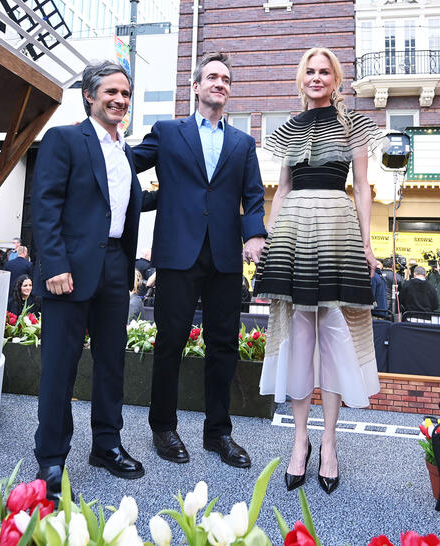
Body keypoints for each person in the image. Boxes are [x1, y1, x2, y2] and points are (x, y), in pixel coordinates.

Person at [253, 47, 387, 494]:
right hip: (293, 228)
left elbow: (364, 189)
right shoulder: (288, 129)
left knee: (333, 337)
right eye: (309, 71)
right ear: (301, 78)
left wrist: (368, 243)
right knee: (297, 337)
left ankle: (328, 442)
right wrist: (269, 237)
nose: (315, 77)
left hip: (336, 225)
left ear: (335, 79)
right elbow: (284, 188)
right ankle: (299, 441)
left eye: (323, 71)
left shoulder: (354, 125)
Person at [133, 52, 267, 470]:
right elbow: (125, 165)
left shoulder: (244, 143)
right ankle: (163, 427)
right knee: (170, 341)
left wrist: (256, 234)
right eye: (212, 77)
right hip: (176, 254)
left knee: (223, 346)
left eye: (226, 79)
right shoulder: (168, 132)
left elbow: (254, 195)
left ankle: (218, 434)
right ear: (195, 87)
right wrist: (142, 199)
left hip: (225, 257)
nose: (219, 83)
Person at [31, 60, 155, 499]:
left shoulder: (125, 152)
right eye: (111, 92)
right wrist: (55, 265)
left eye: (125, 93)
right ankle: (50, 458)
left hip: (115, 269)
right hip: (70, 269)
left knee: (111, 365)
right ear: (90, 95)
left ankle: (106, 445)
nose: (120, 100)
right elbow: (44, 207)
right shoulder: (65, 139)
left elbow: (120, 207)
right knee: (59, 369)